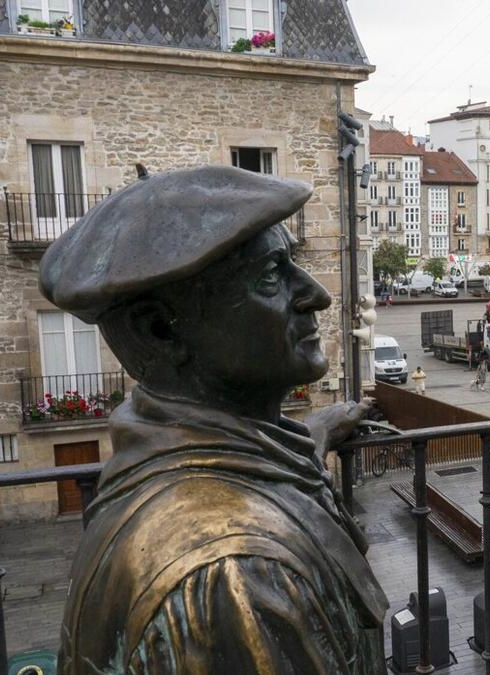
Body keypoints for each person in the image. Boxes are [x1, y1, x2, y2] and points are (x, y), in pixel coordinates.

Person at [41, 166, 387, 673]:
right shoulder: (235, 576)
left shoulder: (182, 464)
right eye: (271, 274)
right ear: (161, 330)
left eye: (292, 263)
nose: (316, 293)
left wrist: (310, 434)